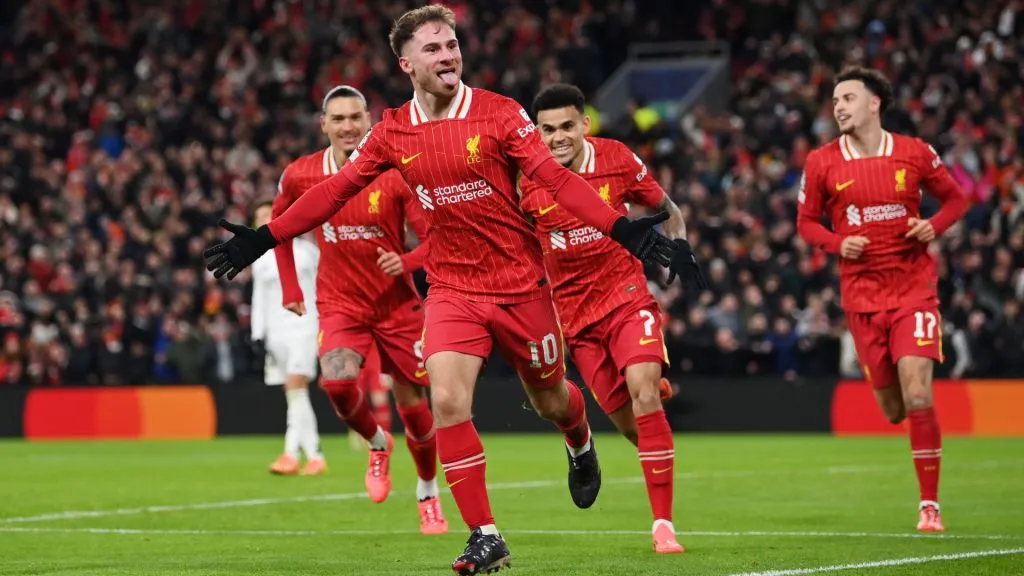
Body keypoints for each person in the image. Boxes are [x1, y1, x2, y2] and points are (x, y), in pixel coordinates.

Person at [204, 6, 701, 573]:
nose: (448, 55)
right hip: (451, 289)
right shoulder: (392, 130)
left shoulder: (501, 114)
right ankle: (485, 534)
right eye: (434, 49)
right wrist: (265, 237)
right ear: (406, 63)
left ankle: (578, 437)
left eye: (452, 45)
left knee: (551, 399)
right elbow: (336, 189)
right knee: (445, 399)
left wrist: (620, 228)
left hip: (520, 287)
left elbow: (555, 178)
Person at [518, 83, 706, 553]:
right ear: (535, 133)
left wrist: (680, 244)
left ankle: (663, 526)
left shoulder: (617, 159)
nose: (558, 137)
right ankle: (617, 417)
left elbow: (668, 208)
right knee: (634, 429)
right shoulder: (524, 182)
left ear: (585, 124)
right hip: (575, 322)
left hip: (626, 300)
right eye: (547, 129)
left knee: (644, 391)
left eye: (566, 126)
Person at [796, 66, 968, 532]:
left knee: (918, 392)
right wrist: (836, 243)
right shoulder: (821, 162)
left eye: (847, 98)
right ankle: (910, 443)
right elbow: (807, 223)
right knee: (894, 409)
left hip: (914, 289)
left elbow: (956, 200)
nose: (838, 107)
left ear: (875, 103)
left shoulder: (914, 153)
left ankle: (928, 506)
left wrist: (932, 226)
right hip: (861, 299)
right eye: (834, 101)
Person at [272, 85, 447, 535]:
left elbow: (437, 238)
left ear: (368, 120)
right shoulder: (301, 174)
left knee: (414, 405)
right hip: (339, 303)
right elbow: (278, 229)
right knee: (336, 381)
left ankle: (428, 493)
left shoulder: (394, 172)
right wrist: (291, 288)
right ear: (324, 124)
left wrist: (406, 260)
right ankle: (376, 441)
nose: (348, 126)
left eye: (356, 117)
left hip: (396, 305)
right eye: (339, 118)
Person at [249, 199, 325, 476]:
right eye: (260, 216)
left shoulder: (307, 252)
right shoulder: (258, 260)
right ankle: (314, 455)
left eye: (270, 213)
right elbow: (259, 298)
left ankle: (291, 454)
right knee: (294, 394)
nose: (265, 219)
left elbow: (322, 288)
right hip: (275, 333)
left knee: (295, 386)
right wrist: (257, 335)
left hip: (304, 325)